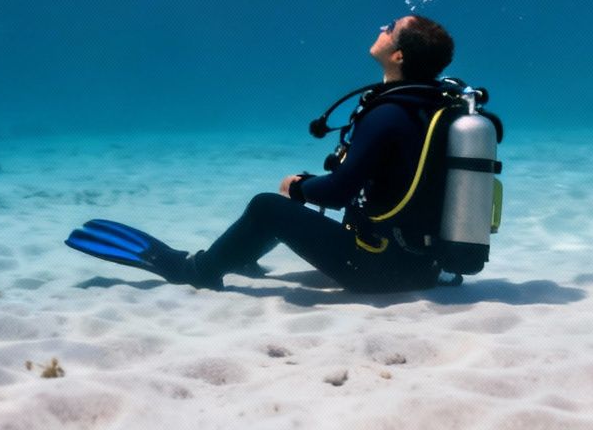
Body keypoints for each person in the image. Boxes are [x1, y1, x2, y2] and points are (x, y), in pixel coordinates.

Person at [67, 15, 459, 293]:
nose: (382, 28)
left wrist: (301, 187)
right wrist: (313, 187)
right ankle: (240, 254)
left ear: (399, 56)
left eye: (391, 29)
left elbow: (339, 193)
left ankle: (197, 270)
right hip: (423, 267)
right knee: (293, 199)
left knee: (267, 206)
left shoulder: (389, 113)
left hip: (379, 271)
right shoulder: (431, 109)